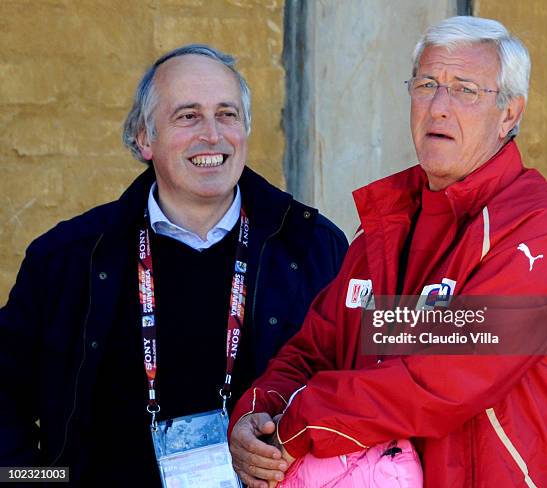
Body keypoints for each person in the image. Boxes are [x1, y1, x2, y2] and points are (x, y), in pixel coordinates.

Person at [229, 16, 547, 488]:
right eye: (426, 84)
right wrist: (258, 415)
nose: (439, 107)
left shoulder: (540, 232)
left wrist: (296, 427)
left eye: (465, 89)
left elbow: (436, 381)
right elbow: (316, 347)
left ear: (509, 113)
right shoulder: (389, 222)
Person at [0, 44, 348, 486]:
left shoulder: (314, 248)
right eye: (188, 116)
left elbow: (365, 379)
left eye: (227, 114)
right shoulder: (66, 258)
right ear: (145, 139)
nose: (212, 135)